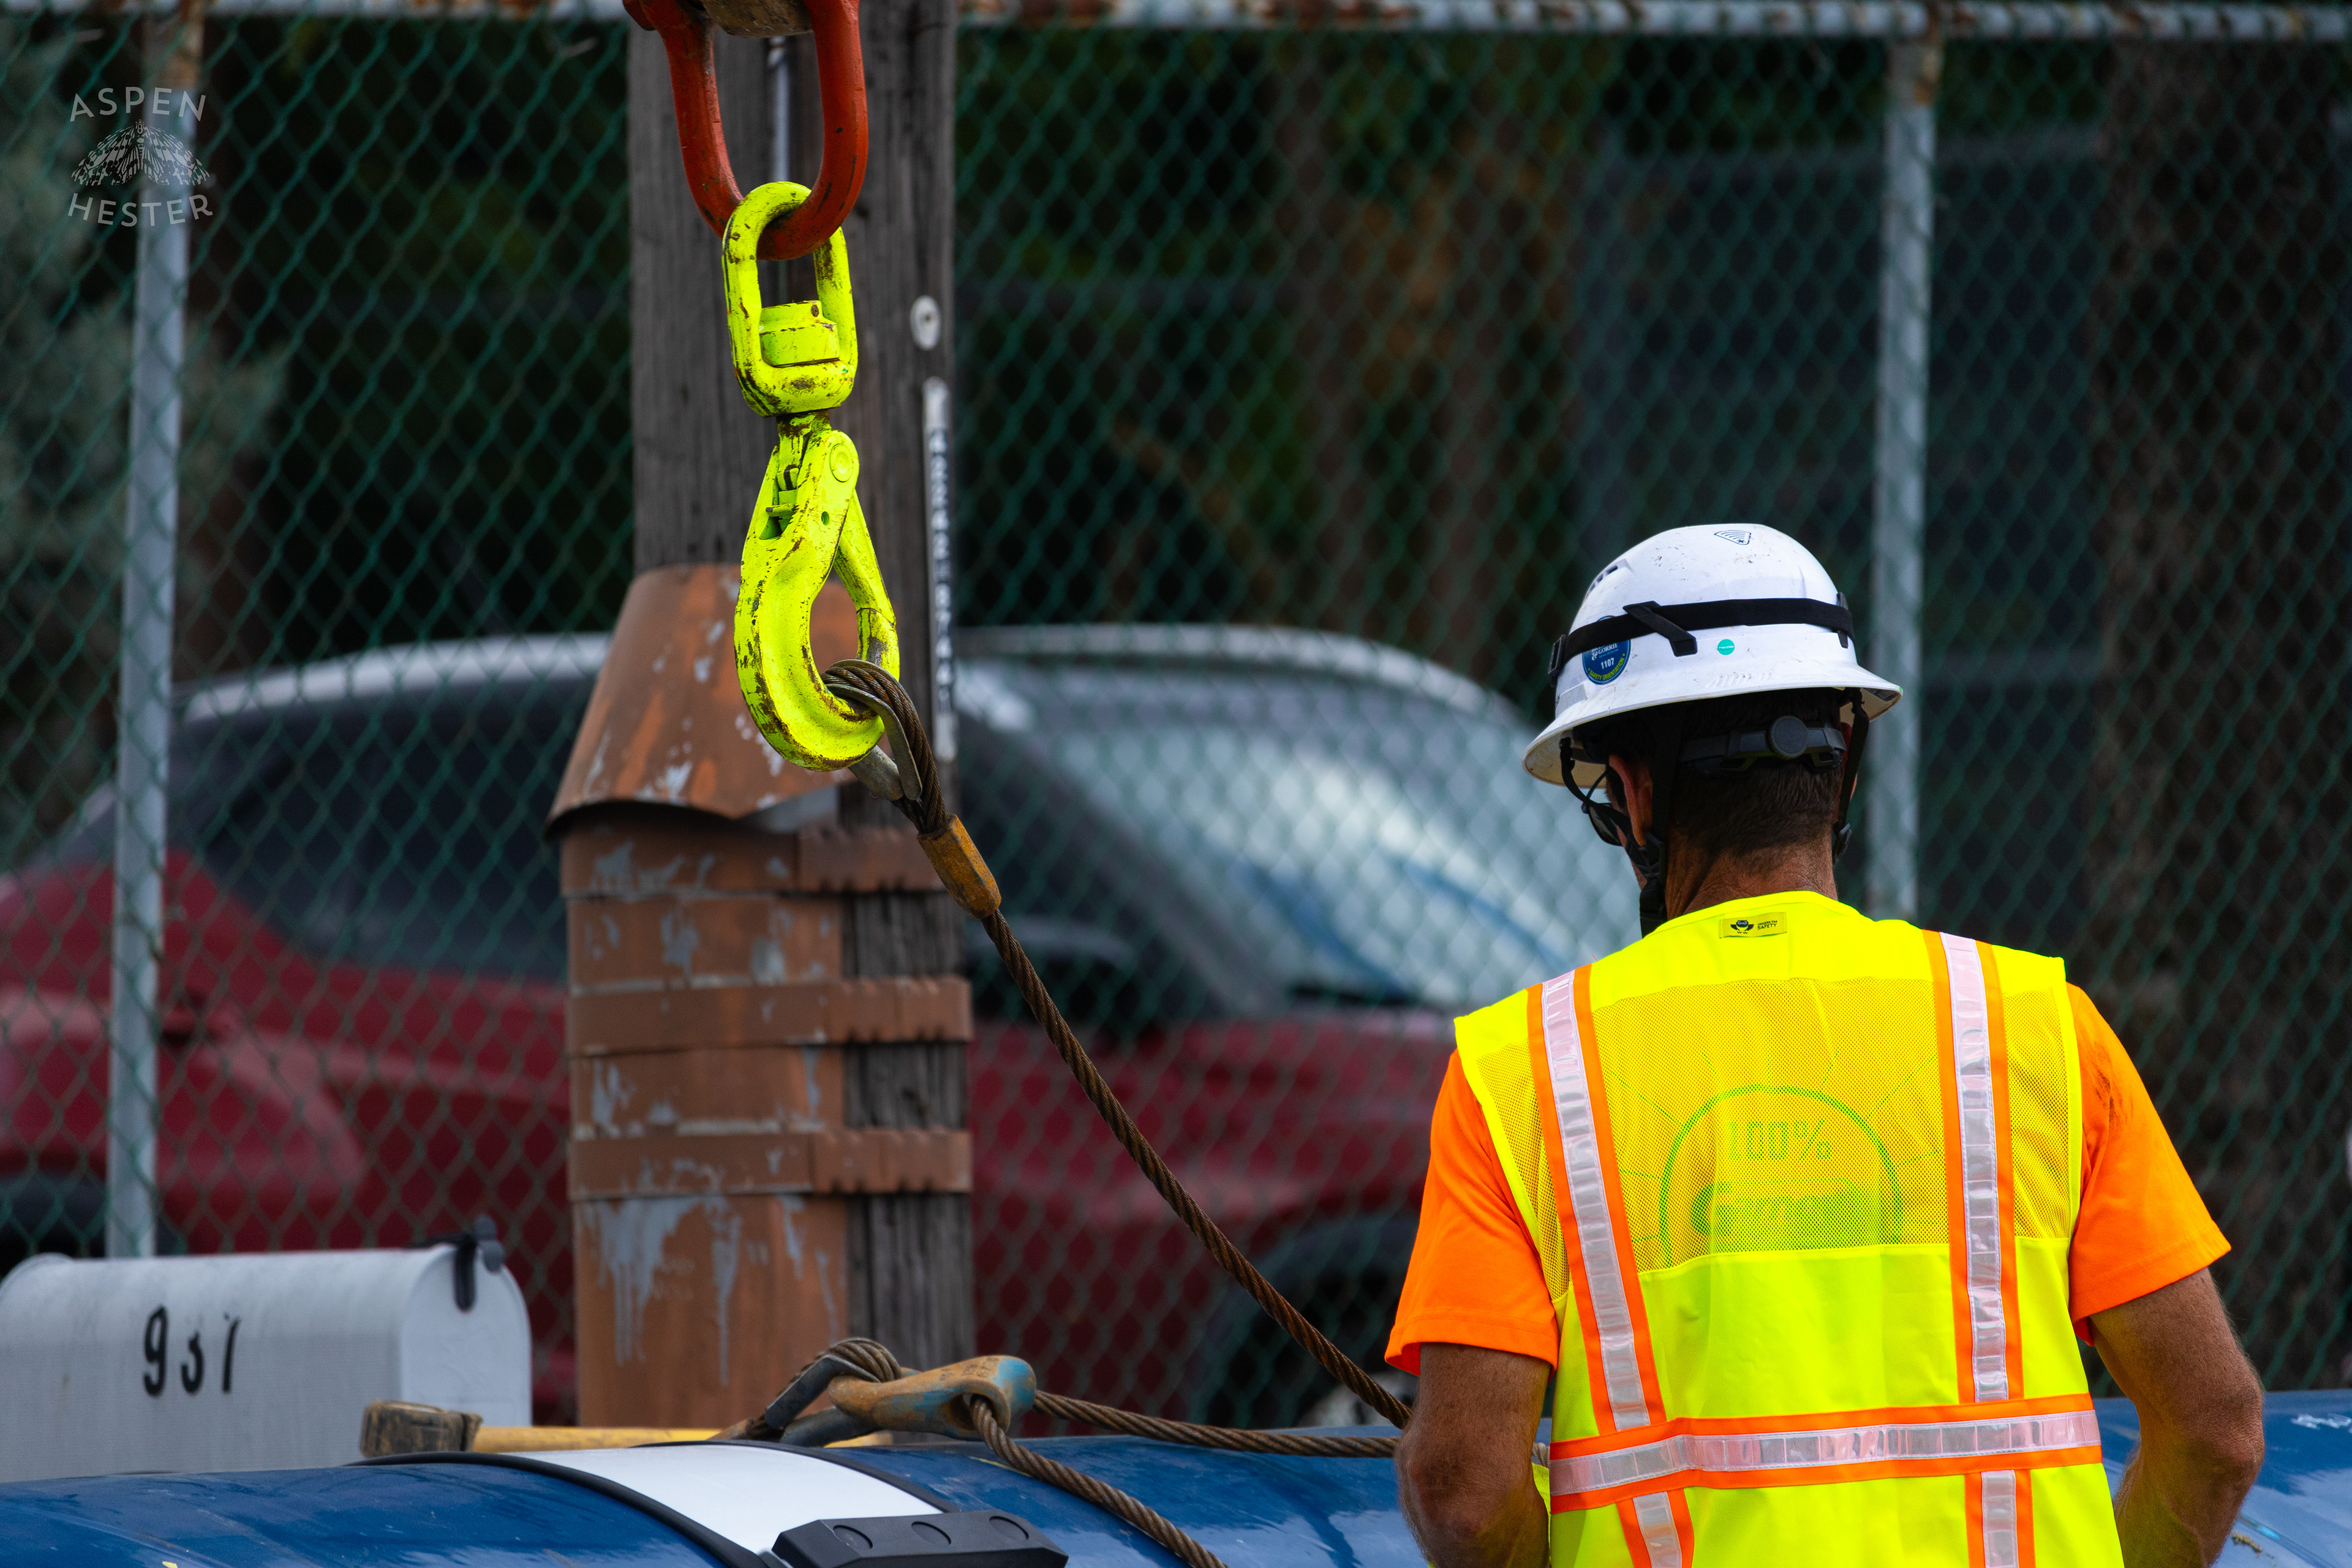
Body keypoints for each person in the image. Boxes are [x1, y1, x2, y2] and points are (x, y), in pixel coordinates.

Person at [1386, 525, 2265, 1568]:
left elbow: (1464, 1494)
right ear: (1844, 764)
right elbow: (2215, 1432)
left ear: (1634, 792)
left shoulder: (1524, 1072)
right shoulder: (2031, 1025)